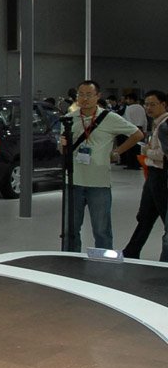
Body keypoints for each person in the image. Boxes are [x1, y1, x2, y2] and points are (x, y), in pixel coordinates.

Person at [61, 79, 144, 252]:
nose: (84, 99)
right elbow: (62, 148)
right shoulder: (69, 119)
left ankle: (104, 263)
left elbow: (137, 134)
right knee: (70, 230)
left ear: (98, 96)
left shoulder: (109, 118)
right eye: (81, 95)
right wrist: (61, 145)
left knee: (101, 231)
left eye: (89, 95)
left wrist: (117, 152)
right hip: (73, 181)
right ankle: (70, 261)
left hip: (99, 182)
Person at [121, 90, 168, 261]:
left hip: (161, 176)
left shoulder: (164, 125)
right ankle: (131, 252)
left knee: (161, 217)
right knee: (145, 216)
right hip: (154, 175)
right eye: (146, 104)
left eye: (152, 104)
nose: (148, 108)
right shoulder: (158, 123)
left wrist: (147, 151)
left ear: (164, 104)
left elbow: (164, 155)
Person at [120, 92, 147, 169]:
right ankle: (137, 164)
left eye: (128, 99)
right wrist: (144, 130)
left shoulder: (129, 108)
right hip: (140, 128)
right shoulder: (141, 108)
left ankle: (130, 164)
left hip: (131, 128)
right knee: (138, 148)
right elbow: (145, 120)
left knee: (130, 147)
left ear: (132, 100)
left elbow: (127, 120)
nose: (127, 101)